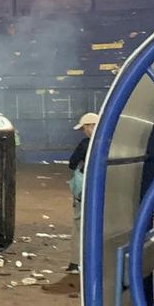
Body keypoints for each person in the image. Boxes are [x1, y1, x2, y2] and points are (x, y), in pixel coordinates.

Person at [67, 112, 98, 274]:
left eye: (84, 128)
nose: (84, 131)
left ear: (90, 127)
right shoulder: (110, 143)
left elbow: (72, 164)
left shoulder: (85, 144)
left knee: (79, 224)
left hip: (86, 187)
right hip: (105, 188)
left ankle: (75, 263)